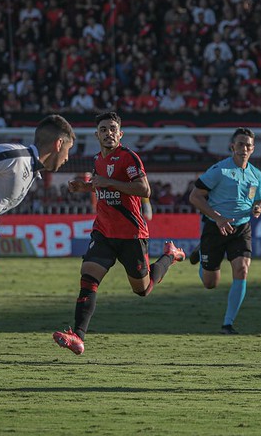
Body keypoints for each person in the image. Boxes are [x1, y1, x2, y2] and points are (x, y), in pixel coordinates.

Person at [53, 112, 186, 354]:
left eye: (113, 129)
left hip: (131, 235)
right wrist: (84, 187)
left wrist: (109, 183)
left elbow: (145, 189)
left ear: (120, 134)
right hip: (103, 232)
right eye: (103, 129)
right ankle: (77, 336)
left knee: (142, 289)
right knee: (88, 279)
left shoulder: (128, 158)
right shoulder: (96, 160)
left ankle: (171, 255)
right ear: (97, 135)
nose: (108, 133)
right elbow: (101, 186)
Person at [0, 114, 76, 331]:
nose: (68, 158)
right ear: (59, 144)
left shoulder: (31, 174)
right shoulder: (16, 155)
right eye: (68, 150)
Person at [188, 127, 261, 334]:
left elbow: (260, 199)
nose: (244, 148)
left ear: (253, 149)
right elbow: (195, 196)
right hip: (215, 228)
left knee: (242, 270)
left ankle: (228, 323)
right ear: (232, 146)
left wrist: (259, 207)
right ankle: (201, 251)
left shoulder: (256, 174)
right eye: (240, 144)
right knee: (210, 283)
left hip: (241, 227)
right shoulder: (219, 171)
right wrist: (219, 219)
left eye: (248, 145)